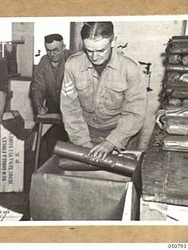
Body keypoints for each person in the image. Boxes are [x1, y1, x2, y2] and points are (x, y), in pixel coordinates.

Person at [61, 22, 147, 161]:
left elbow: (134, 113)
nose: (95, 57)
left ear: (113, 41)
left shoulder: (130, 69)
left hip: (122, 134)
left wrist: (111, 143)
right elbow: (70, 109)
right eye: (89, 50)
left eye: (101, 51)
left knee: (121, 178)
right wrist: (83, 143)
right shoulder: (73, 65)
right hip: (85, 133)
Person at [29, 33, 74, 162]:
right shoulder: (43, 61)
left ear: (64, 47)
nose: (52, 54)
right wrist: (39, 106)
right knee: (49, 142)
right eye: (49, 51)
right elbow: (37, 87)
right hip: (53, 108)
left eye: (56, 50)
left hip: (74, 110)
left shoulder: (73, 59)